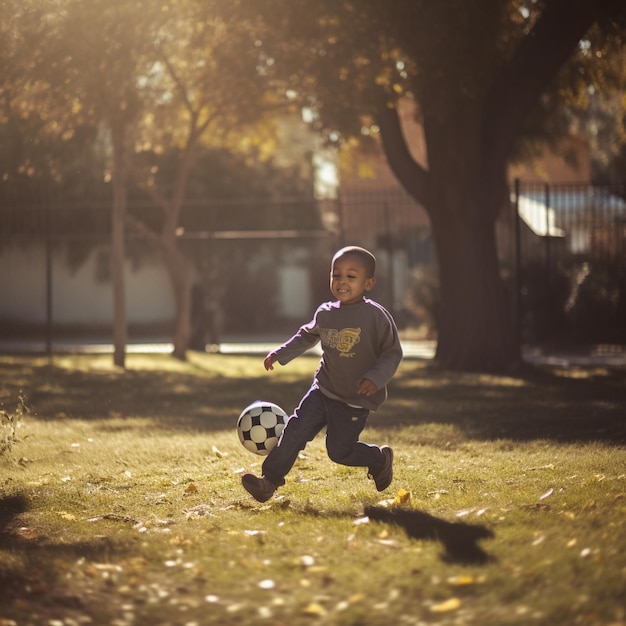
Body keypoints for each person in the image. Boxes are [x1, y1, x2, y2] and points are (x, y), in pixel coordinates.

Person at [241, 246, 403, 503]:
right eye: (336, 274)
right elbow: (306, 336)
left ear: (368, 283)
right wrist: (280, 354)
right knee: (295, 430)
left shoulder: (375, 316)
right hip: (323, 389)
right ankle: (268, 482)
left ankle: (379, 459)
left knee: (339, 451)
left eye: (351, 276)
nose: (342, 281)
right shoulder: (326, 313)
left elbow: (392, 353)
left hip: (354, 399)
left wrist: (376, 377)